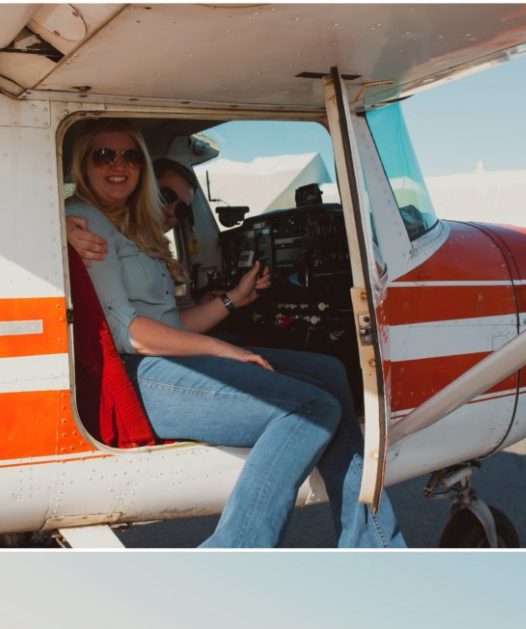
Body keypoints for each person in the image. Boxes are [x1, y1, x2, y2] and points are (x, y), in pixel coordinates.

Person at [65, 120, 405, 548]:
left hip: (164, 357)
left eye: (130, 156)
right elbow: (128, 334)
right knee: (311, 408)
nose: (118, 165)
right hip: (138, 373)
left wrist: (233, 300)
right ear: (83, 164)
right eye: (104, 155)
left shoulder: (131, 228)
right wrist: (222, 348)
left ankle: (375, 545)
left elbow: (169, 324)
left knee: (332, 373)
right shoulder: (82, 222)